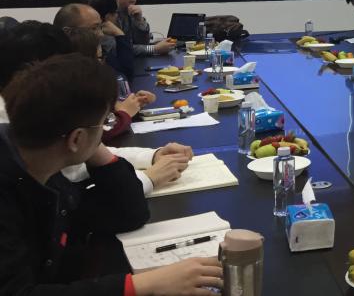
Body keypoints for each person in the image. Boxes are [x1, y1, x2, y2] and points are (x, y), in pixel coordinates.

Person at [0, 53, 222, 295]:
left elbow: (128, 214)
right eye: (105, 122)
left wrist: (93, 147)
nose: (106, 130)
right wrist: (142, 284)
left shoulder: (42, 160)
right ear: (76, 138)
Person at [0, 21, 191, 195]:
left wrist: (151, 156)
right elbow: (74, 197)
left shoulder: (35, 104)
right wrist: (148, 178)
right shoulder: (15, 123)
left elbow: (89, 153)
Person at [52, 4, 156, 143]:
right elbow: (93, 133)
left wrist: (128, 104)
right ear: (68, 32)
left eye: (101, 27)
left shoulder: (88, 63)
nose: (101, 34)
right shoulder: (64, 80)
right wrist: (124, 114)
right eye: (94, 28)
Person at [102, 0, 175, 56]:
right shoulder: (102, 15)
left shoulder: (129, 11)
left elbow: (143, 42)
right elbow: (114, 49)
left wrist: (139, 20)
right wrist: (154, 49)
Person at [81, 0, 135, 78]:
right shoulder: (101, 39)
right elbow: (126, 73)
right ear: (107, 16)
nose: (117, 15)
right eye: (116, 12)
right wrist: (120, 35)